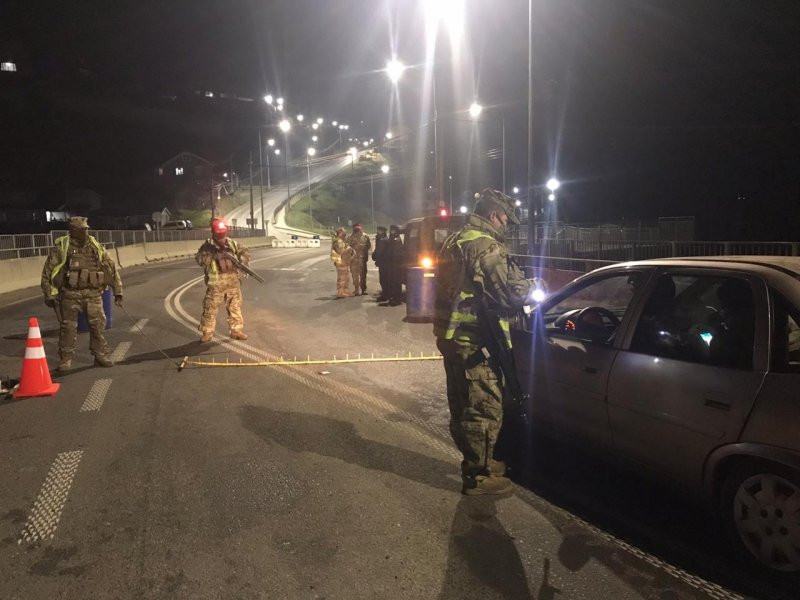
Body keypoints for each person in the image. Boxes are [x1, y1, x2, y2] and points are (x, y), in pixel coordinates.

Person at [433, 189, 534, 496]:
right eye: (505, 218)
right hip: (476, 340)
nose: (506, 224)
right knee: (485, 406)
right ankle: (478, 475)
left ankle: (480, 461)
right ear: (493, 215)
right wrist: (535, 286)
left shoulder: (455, 239)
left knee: (463, 403)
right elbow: (510, 294)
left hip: (452, 336)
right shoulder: (486, 246)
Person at [41, 216, 123, 372]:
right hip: (70, 295)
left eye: (86, 229)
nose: (86, 231)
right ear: (73, 230)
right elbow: (48, 272)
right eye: (82, 229)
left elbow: (111, 268)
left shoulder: (95, 246)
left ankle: (100, 355)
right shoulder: (62, 248)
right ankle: (65, 358)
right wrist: (49, 294)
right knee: (68, 328)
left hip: (93, 294)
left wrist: (118, 291)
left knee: (98, 326)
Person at [195, 218, 251, 343]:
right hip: (216, 283)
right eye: (219, 230)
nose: (221, 233)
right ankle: (207, 332)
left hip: (233, 282)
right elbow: (200, 260)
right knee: (210, 308)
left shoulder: (232, 244)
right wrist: (213, 255)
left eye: (223, 230)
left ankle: (236, 331)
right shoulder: (207, 246)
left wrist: (242, 259)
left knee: (235, 307)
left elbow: (245, 252)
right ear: (214, 231)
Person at [381, 224, 404, 306]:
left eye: (393, 230)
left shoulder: (397, 240)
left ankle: (397, 299)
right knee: (392, 282)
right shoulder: (391, 239)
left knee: (396, 283)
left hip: (396, 265)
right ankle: (393, 298)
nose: (392, 231)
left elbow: (397, 253)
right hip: (391, 265)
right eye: (391, 230)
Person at [330, 227, 356, 298]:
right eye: (343, 232)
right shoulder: (338, 241)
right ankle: (340, 292)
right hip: (341, 262)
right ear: (340, 233)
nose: (345, 234)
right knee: (342, 278)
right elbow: (340, 251)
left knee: (346, 278)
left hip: (344, 262)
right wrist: (349, 248)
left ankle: (345, 291)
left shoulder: (342, 241)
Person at [346, 223, 371, 296]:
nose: (357, 231)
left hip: (362, 260)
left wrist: (365, 255)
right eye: (356, 230)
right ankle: (356, 289)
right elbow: (347, 248)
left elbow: (368, 246)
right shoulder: (349, 237)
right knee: (354, 275)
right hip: (353, 260)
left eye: (358, 229)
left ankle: (363, 289)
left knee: (363, 275)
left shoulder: (366, 236)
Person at [372, 225, 389, 301]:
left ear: (382, 231)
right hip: (382, 262)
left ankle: (385, 294)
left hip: (383, 262)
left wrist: (375, 257)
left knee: (383, 279)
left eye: (378, 230)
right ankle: (385, 293)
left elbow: (380, 251)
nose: (377, 231)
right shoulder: (381, 238)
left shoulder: (383, 239)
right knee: (383, 279)